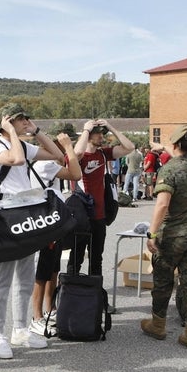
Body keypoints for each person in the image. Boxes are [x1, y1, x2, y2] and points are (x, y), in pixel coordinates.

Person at [0, 103, 66, 359]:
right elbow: (17, 159)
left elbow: (56, 155)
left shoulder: (23, 143)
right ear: (7, 121)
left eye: (25, 119)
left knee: (26, 274)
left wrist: (37, 131)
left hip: (28, 212)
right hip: (7, 214)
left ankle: (20, 328)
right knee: (3, 278)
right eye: (20, 119)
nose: (24, 123)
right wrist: (9, 130)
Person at [140, 124, 187, 351]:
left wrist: (152, 233)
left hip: (173, 236)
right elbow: (179, 151)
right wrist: (162, 147)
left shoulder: (169, 170)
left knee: (163, 281)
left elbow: (162, 204)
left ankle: (158, 325)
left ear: (176, 144)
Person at [29, 125, 82, 336]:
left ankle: (50, 309)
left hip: (52, 220)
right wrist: (68, 149)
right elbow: (76, 174)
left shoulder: (47, 163)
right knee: (42, 271)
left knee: (52, 268)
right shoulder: (45, 165)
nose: (73, 145)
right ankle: (37, 316)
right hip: (45, 221)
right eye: (69, 141)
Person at [69, 118, 136, 278]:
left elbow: (130, 147)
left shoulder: (103, 154)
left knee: (96, 259)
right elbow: (77, 152)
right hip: (81, 217)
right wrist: (85, 129)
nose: (101, 137)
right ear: (89, 135)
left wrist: (111, 127)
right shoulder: (76, 157)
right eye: (98, 133)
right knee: (76, 258)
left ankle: (95, 297)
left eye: (102, 133)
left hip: (99, 216)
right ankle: (70, 296)